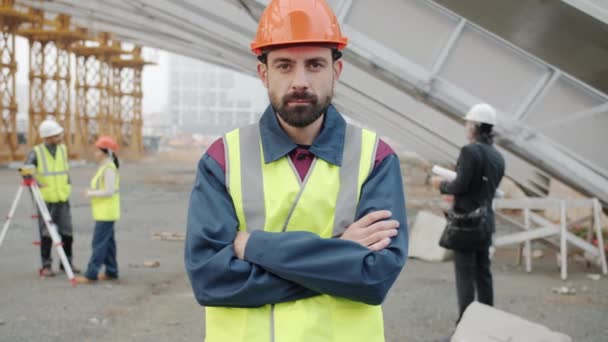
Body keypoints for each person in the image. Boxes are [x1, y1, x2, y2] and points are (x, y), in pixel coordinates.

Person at [184, 1, 408, 341]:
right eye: (284, 66)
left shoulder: (374, 158)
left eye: (315, 64)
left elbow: (375, 278)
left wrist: (254, 247)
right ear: (264, 73)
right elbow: (211, 280)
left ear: (337, 70)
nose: (300, 81)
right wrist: (338, 255)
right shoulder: (223, 159)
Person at [431, 103, 505, 322]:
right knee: (484, 274)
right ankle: (486, 325)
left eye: (467, 123)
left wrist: (441, 184)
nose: (465, 126)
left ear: (475, 126)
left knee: (464, 275)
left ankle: (465, 327)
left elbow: (461, 185)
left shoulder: (469, 151)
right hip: (486, 222)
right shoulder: (497, 156)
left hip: (466, 224)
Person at [25, 116, 79, 277]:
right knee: (47, 233)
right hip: (46, 200)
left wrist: (67, 186)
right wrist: (34, 185)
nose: (60, 137)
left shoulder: (63, 149)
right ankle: (46, 266)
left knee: (67, 232)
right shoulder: (36, 152)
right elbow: (26, 172)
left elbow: (64, 172)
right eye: (57, 135)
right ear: (48, 137)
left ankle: (67, 263)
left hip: (62, 197)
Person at [75, 136, 121, 284]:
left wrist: (90, 193)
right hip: (104, 211)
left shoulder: (109, 168)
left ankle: (91, 274)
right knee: (108, 243)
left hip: (106, 212)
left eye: (97, 150)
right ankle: (112, 271)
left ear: (105, 152)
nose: (95, 152)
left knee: (98, 243)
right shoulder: (105, 166)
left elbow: (109, 191)